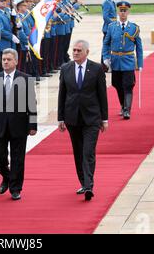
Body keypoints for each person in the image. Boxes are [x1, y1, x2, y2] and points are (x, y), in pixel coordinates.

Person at [58, 40, 108, 201]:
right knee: (78, 152)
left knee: (88, 152)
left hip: (92, 118)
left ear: (87, 52)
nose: (76, 53)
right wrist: (60, 118)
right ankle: (83, 182)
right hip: (73, 118)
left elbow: (102, 95)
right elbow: (62, 95)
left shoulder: (96, 69)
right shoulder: (66, 69)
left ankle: (89, 185)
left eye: (79, 50)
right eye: (74, 50)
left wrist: (104, 118)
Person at [0, 48, 37, 201]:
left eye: (8, 59)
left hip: (19, 125)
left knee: (18, 158)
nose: (5, 62)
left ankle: (15, 188)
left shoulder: (25, 79)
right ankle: (7, 177)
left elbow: (31, 103)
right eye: (3, 59)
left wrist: (32, 125)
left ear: (15, 61)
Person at [102, 1, 143, 120]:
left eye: (125, 11)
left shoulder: (134, 28)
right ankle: (122, 104)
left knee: (128, 85)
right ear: (118, 12)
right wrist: (106, 57)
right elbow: (106, 44)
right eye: (121, 10)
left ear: (128, 12)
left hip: (128, 61)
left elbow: (139, 47)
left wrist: (139, 63)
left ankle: (127, 110)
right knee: (117, 84)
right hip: (115, 61)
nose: (123, 13)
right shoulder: (112, 27)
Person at [101, 0, 117, 69]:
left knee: (109, 47)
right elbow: (105, 17)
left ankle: (107, 64)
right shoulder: (107, 2)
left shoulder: (111, 2)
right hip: (108, 28)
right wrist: (113, 24)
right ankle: (104, 65)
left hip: (112, 27)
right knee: (106, 47)